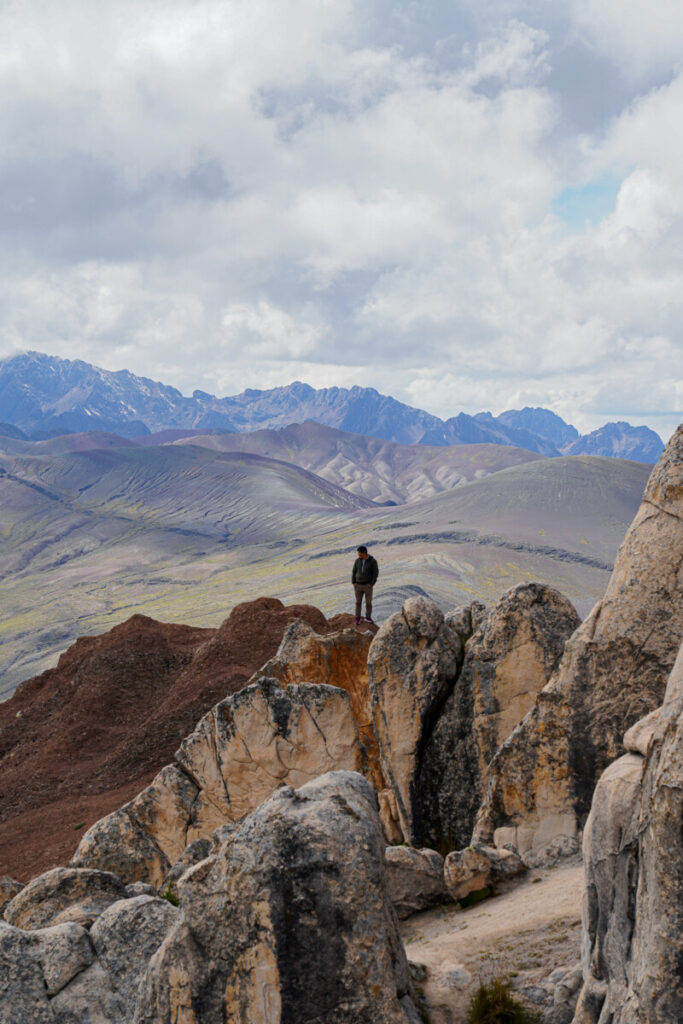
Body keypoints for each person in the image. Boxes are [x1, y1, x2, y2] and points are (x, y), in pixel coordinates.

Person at [351, 545, 379, 625]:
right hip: (358, 585)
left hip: (368, 586)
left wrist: (372, 584)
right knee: (358, 603)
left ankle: (368, 617)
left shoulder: (373, 561)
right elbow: (354, 571)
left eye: (359, 553)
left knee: (368, 603)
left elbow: (375, 573)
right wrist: (353, 582)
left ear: (363, 553)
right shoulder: (357, 561)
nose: (358, 554)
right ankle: (358, 618)